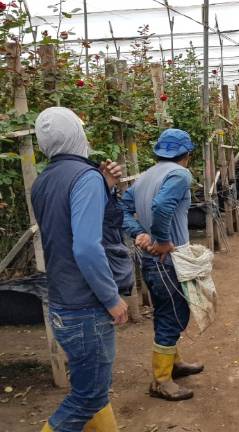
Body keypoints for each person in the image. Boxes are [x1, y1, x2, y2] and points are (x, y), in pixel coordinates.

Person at [31, 107, 132, 432]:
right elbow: (87, 247)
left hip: (62, 303)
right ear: (76, 135)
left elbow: (68, 229)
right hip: (86, 307)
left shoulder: (44, 181)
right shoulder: (85, 177)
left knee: (93, 392)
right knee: (88, 397)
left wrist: (104, 186)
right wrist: (111, 298)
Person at [122, 128, 204, 401]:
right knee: (174, 315)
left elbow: (121, 207)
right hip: (168, 260)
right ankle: (161, 381)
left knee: (164, 311)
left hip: (151, 260)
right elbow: (162, 207)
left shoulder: (146, 176)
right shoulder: (180, 174)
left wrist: (139, 233)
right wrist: (161, 239)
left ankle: (173, 364)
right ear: (187, 154)